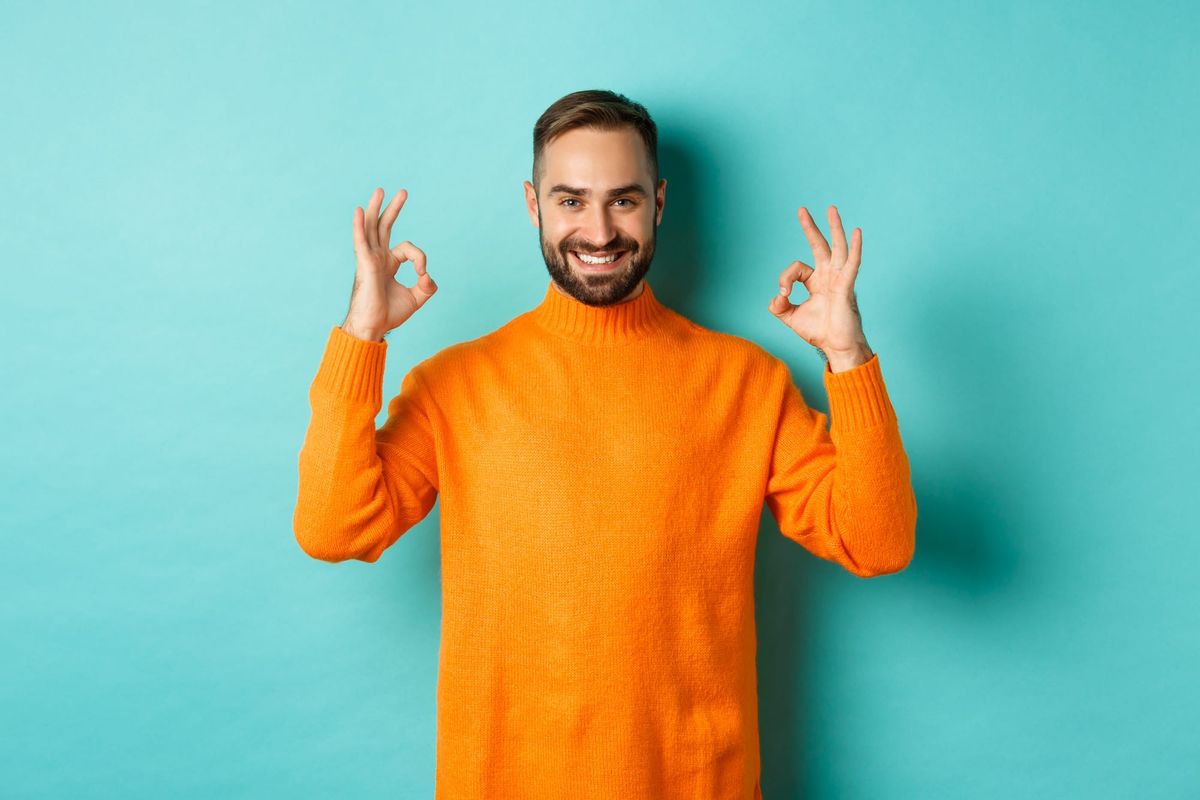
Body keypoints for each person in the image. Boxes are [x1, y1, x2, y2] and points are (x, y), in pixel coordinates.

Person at [293, 88, 917, 800]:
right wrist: (362, 334)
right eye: (570, 201)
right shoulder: (455, 385)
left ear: (659, 202)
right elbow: (333, 527)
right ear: (533, 205)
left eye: (623, 200)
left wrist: (847, 356)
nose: (598, 232)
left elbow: (879, 541)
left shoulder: (746, 382)